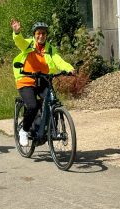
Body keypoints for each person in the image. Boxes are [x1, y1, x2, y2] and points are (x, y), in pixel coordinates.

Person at [10, 19, 75, 147]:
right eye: (38, 33)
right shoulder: (28, 44)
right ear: (34, 35)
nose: (41, 36)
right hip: (26, 80)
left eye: (43, 34)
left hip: (43, 80)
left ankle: (49, 131)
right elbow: (20, 42)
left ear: (46, 35)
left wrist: (69, 68)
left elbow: (59, 61)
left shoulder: (50, 49)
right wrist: (17, 33)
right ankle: (24, 130)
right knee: (33, 106)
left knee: (52, 103)